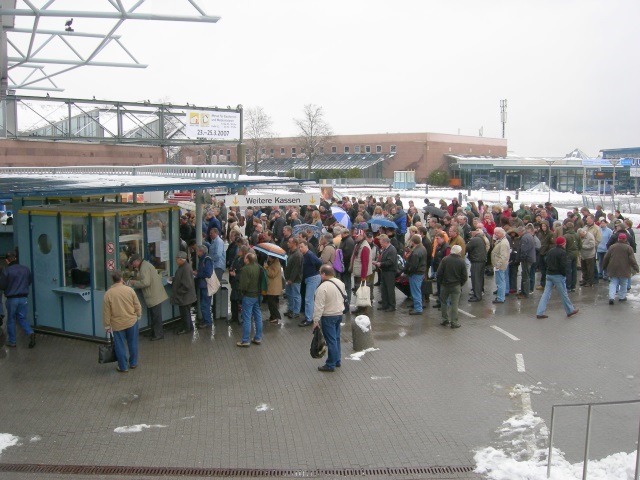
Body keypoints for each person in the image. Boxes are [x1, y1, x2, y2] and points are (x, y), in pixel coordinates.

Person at [102, 270, 142, 372]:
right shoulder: (129, 290)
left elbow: (106, 312)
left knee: (120, 345)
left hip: (117, 324)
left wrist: (107, 325)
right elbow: (137, 305)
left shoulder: (108, 294)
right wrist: (138, 315)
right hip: (131, 321)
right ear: (121, 279)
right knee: (132, 343)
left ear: (113, 280)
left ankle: (123, 366)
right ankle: (133, 363)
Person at [313, 265, 347, 372]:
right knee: (336, 339)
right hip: (338, 314)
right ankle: (337, 360)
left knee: (331, 340)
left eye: (320, 273)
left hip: (328, 316)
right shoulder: (340, 283)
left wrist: (316, 321)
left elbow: (319, 306)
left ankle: (330, 364)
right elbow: (345, 296)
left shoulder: (322, 287)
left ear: (323, 274)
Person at [535, 237, 579, 319]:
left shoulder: (551, 251)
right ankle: (570, 310)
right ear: (563, 243)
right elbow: (563, 265)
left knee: (546, 294)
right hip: (558, 275)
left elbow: (546, 260)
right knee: (563, 294)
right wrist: (564, 274)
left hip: (549, 274)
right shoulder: (562, 252)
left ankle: (540, 312)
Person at [128, 254, 169, 341]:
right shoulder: (145, 265)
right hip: (154, 294)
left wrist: (133, 282)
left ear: (137, 261)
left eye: (133, 263)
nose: (133, 265)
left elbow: (146, 282)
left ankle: (159, 334)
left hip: (154, 295)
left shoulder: (144, 267)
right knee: (154, 315)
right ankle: (154, 332)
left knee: (156, 316)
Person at [0, 251, 35, 348]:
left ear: (7, 261)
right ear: (15, 258)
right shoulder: (26, 269)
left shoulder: (6, 271)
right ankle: (30, 332)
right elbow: (29, 282)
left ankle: (12, 341)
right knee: (22, 318)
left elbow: (2, 285)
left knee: (11, 320)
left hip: (12, 299)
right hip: (23, 298)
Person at [602, 233, 639, 305]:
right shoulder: (628, 248)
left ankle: (611, 297)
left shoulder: (612, 247)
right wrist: (636, 268)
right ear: (625, 239)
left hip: (613, 267)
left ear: (618, 239)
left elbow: (606, 258)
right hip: (624, 268)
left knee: (613, 283)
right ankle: (622, 297)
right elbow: (632, 259)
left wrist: (604, 266)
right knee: (623, 283)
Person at [437, 245, 467, 329]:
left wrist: (440, 282)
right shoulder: (461, 261)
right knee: (454, 303)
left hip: (445, 285)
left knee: (443, 302)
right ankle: (454, 322)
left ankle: (444, 319)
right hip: (456, 285)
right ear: (459, 252)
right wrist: (460, 283)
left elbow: (439, 273)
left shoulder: (445, 260)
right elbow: (464, 276)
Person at [237, 252, 262, 347]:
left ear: (247, 259)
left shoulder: (245, 269)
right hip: (257, 295)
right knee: (258, 316)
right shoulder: (258, 267)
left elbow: (243, 285)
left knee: (247, 318)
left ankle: (245, 340)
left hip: (248, 296)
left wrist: (241, 293)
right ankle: (258, 337)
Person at [170, 251, 197, 335]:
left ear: (181, 259)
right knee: (186, 312)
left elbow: (186, 285)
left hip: (185, 297)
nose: (176, 261)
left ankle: (186, 329)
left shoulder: (185, 268)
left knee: (185, 313)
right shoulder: (185, 267)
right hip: (186, 296)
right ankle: (189, 327)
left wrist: (178, 292)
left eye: (176, 259)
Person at [298, 240, 323, 327]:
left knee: (309, 299)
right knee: (309, 298)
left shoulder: (310, 254)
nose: (300, 249)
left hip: (312, 278)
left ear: (306, 246)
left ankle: (309, 319)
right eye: (299, 247)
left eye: (302, 247)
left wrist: (316, 271)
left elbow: (319, 262)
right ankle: (309, 316)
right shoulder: (305, 255)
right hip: (309, 278)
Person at [402, 234, 427, 315]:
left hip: (416, 274)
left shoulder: (416, 252)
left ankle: (418, 308)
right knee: (417, 291)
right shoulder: (422, 248)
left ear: (413, 242)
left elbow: (413, 265)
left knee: (416, 291)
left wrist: (407, 272)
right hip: (421, 272)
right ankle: (418, 307)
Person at [350, 229, 372, 314]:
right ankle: (359, 308)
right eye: (354, 236)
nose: (355, 237)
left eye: (357, 236)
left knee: (363, 293)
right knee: (358, 292)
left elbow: (365, 263)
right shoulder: (358, 245)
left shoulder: (364, 247)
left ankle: (364, 310)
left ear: (362, 236)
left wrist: (363, 277)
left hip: (362, 275)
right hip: (358, 273)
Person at [373, 234, 398, 312]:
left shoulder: (392, 250)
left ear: (385, 242)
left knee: (390, 289)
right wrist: (378, 262)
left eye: (381, 243)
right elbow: (384, 259)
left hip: (390, 272)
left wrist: (381, 264)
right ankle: (385, 304)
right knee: (384, 289)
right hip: (384, 271)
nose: (381, 245)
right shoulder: (385, 249)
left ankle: (391, 306)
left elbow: (391, 262)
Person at [193, 245, 214, 328]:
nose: (196, 252)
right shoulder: (203, 259)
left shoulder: (207, 260)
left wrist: (197, 274)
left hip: (206, 285)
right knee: (204, 303)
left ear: (201, 251)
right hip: (203, 285)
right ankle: (206, 320)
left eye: (197, 251)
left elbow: (208, 273)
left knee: (205, 304)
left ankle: (208, 322)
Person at [466, 228, 488, 302]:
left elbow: (467, 248)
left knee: (476, 279)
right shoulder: (481, 238)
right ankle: (478, 293)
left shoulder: (474, 240)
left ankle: (477, 295)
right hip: (481, 260)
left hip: (476, 261)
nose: (470, 233)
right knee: (479, 278)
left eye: (471, 232)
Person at [284, 237, 303, 320]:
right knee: (289, 294)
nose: (287, 243)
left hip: (295, 279)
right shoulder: (290, 252)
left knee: (296, 295)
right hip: (289, 278)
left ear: (294, 244)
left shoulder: (297, 255)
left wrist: (291, 279)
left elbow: (296, 268)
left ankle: (296, 312)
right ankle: (291, 310)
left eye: (289, 242)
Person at [517, 224, 536, 299]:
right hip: (530, 258)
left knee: (525, 276)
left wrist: (521, 258)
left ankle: (525, 293)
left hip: (526, 259)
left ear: (520, 232)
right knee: (526, 275)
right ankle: (524, 292)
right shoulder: (529, 236)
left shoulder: (524, 238)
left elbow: (524, 249)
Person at [491, 228, 510, 304]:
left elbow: (503, 256)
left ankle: (500, 298)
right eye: (495, 233)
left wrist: (498, 265)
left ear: (502, 234)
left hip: (500, 266)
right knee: (501, 281)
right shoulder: (501, 241)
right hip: (499, 265)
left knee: (500, 282)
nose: (495, 235)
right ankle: (501, 296)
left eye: (497, 233)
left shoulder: (503, 243)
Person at [265, 256, 283, 324]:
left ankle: (276, 317)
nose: (268, 258)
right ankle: (272, 316)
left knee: (272, 303)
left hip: (274, 288)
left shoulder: (276, 264)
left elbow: (272, 274)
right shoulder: (272, 263)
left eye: (269, 257)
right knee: (270, 303)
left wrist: (267, 267)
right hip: (272, 287)